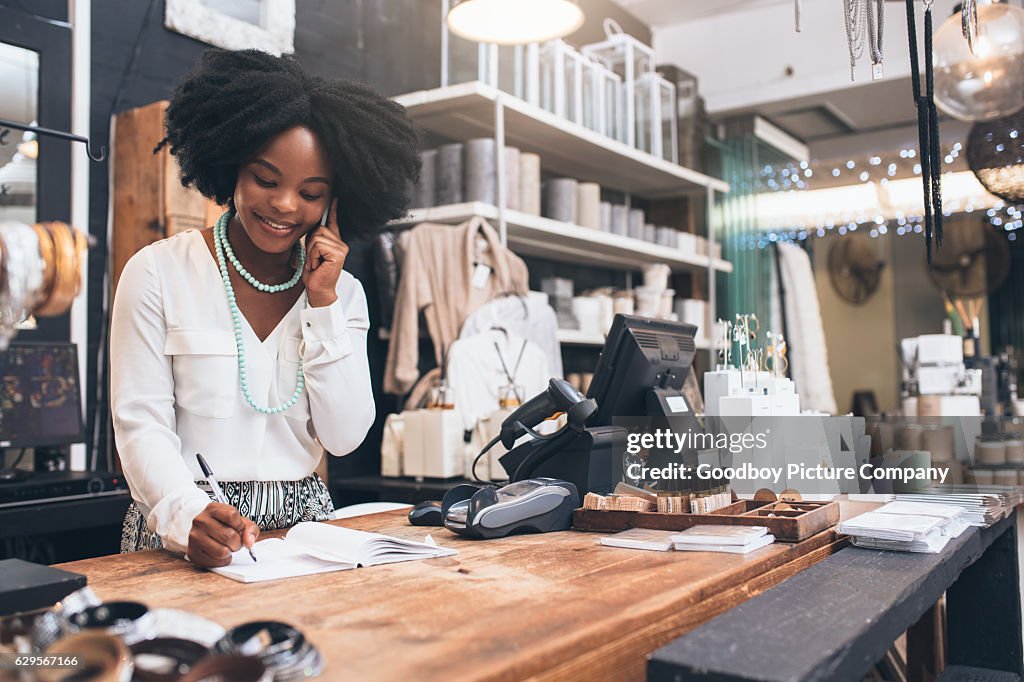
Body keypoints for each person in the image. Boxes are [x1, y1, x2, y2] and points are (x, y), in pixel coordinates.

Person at [110, 49, 420, 567]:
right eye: (266, 179)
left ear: (334, 203)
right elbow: (141, 424)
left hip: (307, 534)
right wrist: (187, 515)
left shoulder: (344, 294)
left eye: (311, 192)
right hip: (184, 524)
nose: (284, 205)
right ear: (231, 166)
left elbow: (344, 439)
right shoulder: (156, 272)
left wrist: (322, 303)